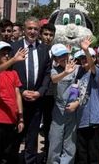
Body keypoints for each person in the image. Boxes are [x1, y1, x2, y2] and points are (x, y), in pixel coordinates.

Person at [10, 17, 52, 164]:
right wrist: (21, 91)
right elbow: (10, 73)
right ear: (24, 29)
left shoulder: (44, 50)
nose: (32, 32)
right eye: (30, 28)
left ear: (39, 31)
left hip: (36, 100)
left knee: (32, 137)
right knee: (15, 135)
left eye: (35, 29)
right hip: (17, 99)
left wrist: (40, 92)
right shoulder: (14, 47)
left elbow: (47, 74)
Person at [0, 42, 27, 164]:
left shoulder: (14, 73)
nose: (6, 55)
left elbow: (17, 96)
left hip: (12, 119)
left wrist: (20, 118)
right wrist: (14, 60)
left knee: (8, 153)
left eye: (7, 53)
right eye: (2, 53)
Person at [48, 43, 79, 164]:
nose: (63, 58)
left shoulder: (76, 68)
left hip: (72, 110)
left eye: (65, 54)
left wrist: (76, 102)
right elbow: (54, 79)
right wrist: (66, 72)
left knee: (70, 143)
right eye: (60, 56)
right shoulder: (54, 70)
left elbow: (80, 87)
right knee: (55, 141)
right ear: (55, 59)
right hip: (58, 110)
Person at [74, 39, 99, 164]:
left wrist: (86, 50)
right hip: (80, 120)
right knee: (82, 155)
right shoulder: (78, 74)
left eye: (87, 58)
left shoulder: (95, 72)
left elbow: (92, 66)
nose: (84, 60)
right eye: (82, 58)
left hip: (93, 120)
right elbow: (74, 95)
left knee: (94, 155)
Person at [40, 23, 57, 161]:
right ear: (41, 34)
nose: (48, 37)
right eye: (45, 34)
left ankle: (47, 155)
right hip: (34, 93)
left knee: (48, 125)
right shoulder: (34, 49)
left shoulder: (55, 51)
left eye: (51, 35)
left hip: (50, 94)